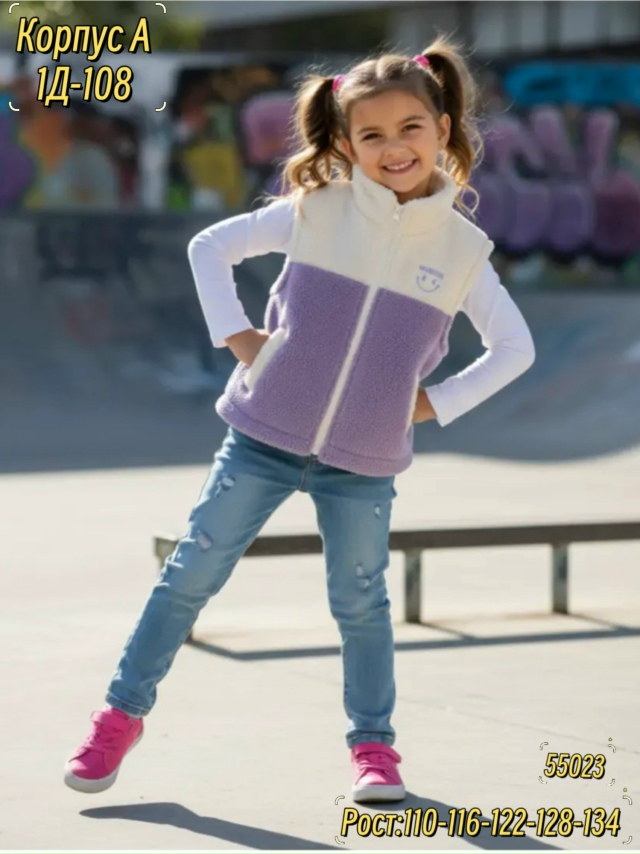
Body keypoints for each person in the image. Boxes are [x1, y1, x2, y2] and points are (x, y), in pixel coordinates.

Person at [64, 38, 535, 803]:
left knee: (361, 604)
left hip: (363, 464)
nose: (393, 147)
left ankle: (374, 750)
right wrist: (240, 337)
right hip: (262, 437)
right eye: (371, 134)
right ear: (346, 143)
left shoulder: (461, 252)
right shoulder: (319, 210)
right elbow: (210, 247)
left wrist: (434, 403)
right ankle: (119, 716)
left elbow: (515, 348)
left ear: (443, 129)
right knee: (189, 575)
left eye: (411, 128)